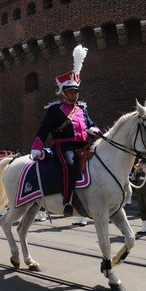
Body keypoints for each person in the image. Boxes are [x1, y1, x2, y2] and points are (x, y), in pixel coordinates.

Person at [30, 45, 100, 216]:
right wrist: (37, 147)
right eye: (70, 92)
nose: (74, 95)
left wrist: (94, 129)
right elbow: (43, 129)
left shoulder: (82, 109)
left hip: (84, 145)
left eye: (76, 92)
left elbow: (91, 123)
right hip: (63, 147)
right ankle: (67, 201)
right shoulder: (55, 110)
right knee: (69, 165)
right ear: (63, 92)